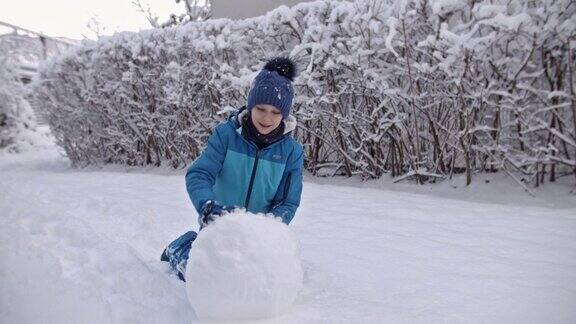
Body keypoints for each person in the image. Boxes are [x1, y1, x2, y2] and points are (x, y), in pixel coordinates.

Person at [161, 57, 304, 281]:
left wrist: (267, 227)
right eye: (261, 108)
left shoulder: (291, 152)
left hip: (258, 236)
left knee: (256, 281)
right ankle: (180, 248)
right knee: (204, 278)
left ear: (284, 115)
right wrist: (208, 206)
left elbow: (288, 201)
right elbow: (200, 174)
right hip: (219, 227)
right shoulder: (226, 135)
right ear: (250, 106)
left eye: (276, 112)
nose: (267, 118)